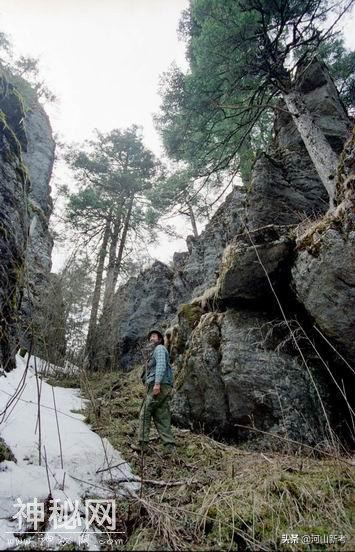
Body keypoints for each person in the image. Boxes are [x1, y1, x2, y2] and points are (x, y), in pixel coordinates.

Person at [132, 329, 175, 455]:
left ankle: (143, 444)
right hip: (162, 385)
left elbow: (161, 364)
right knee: (161, 416)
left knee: (145, 412)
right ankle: (169, 447)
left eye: (154, 336)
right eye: (150, 337)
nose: (151, 338)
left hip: (159, 385)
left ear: (160, 339)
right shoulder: (152, 354)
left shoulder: (159, 349)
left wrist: (156, 384)